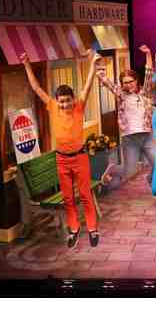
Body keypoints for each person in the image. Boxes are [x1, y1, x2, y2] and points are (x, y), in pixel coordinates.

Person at [20, 50, 101, 249]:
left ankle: (92, 229)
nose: (65, 104)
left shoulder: (79, 107)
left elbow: (88, 84)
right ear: (57, 101)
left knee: (85, 195)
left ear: (73, 99)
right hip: (62, 159)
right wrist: (26, 64)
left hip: (79, 158)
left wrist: (92, 64)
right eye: (61, 101)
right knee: (68, 198)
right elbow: (36, 87)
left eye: (67, 100)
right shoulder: (52, 107)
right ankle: (73, 229)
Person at [98, 44, 156, 191]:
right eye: (125, 82)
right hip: (130, 138)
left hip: (147, 136)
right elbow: (105, 80)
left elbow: (149, 73)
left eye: (130, 81)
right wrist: (96, 64)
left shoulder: (145, 93)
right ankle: (113, 169)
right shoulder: (121, 95)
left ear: (136, 81)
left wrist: (148, 54)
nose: (128, 85)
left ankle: (151, 179)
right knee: (129, 172)